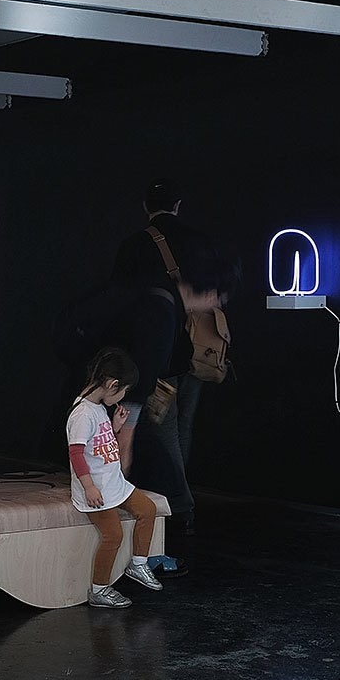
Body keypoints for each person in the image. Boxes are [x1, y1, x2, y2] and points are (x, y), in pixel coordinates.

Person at [101, 234, 240, 558]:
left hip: (150, 384)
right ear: (209, 292)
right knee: (163, 446)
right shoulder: (163, 310)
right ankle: (172, 520)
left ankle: (171, 518)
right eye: (218, 299)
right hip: (150, 387)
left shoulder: (158, 293)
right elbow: (140, 380)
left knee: (163, 447)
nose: (217, 307)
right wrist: (126, 436)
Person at [112, 179, 215, 534]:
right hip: (199, 351)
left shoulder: (135, 246)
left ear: (146, 206)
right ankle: (179, 497)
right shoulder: (200, 242)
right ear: (178, 204)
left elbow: (121, 301)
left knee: (164, 429)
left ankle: (179, 504)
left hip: (161, 354)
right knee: (183, 427)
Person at [67, 346, 163, 609]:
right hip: (96, 490)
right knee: (113, 535)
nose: (124, 396)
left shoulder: (97, 407)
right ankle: (99, 590)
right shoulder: (83, 413)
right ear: (112, 384)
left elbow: (95, 442)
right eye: (124, 391)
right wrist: (88, 487)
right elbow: (76, 453)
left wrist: (115, 427)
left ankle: (138, 565)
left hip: (114, 483)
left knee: (148, 509)